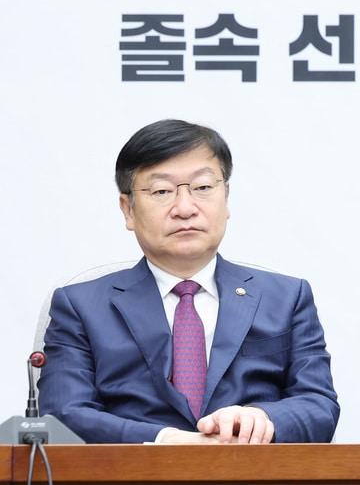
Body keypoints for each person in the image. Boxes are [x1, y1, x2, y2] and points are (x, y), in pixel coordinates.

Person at [39, 119, 339, 443]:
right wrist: (164, 440)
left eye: (203, 188)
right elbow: (63, 413)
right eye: (162, 191)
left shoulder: (286, 297)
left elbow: (319, 406)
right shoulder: (81, 306)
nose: (184, 208)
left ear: (226, 198)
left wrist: (264, 418)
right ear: (128, 210)